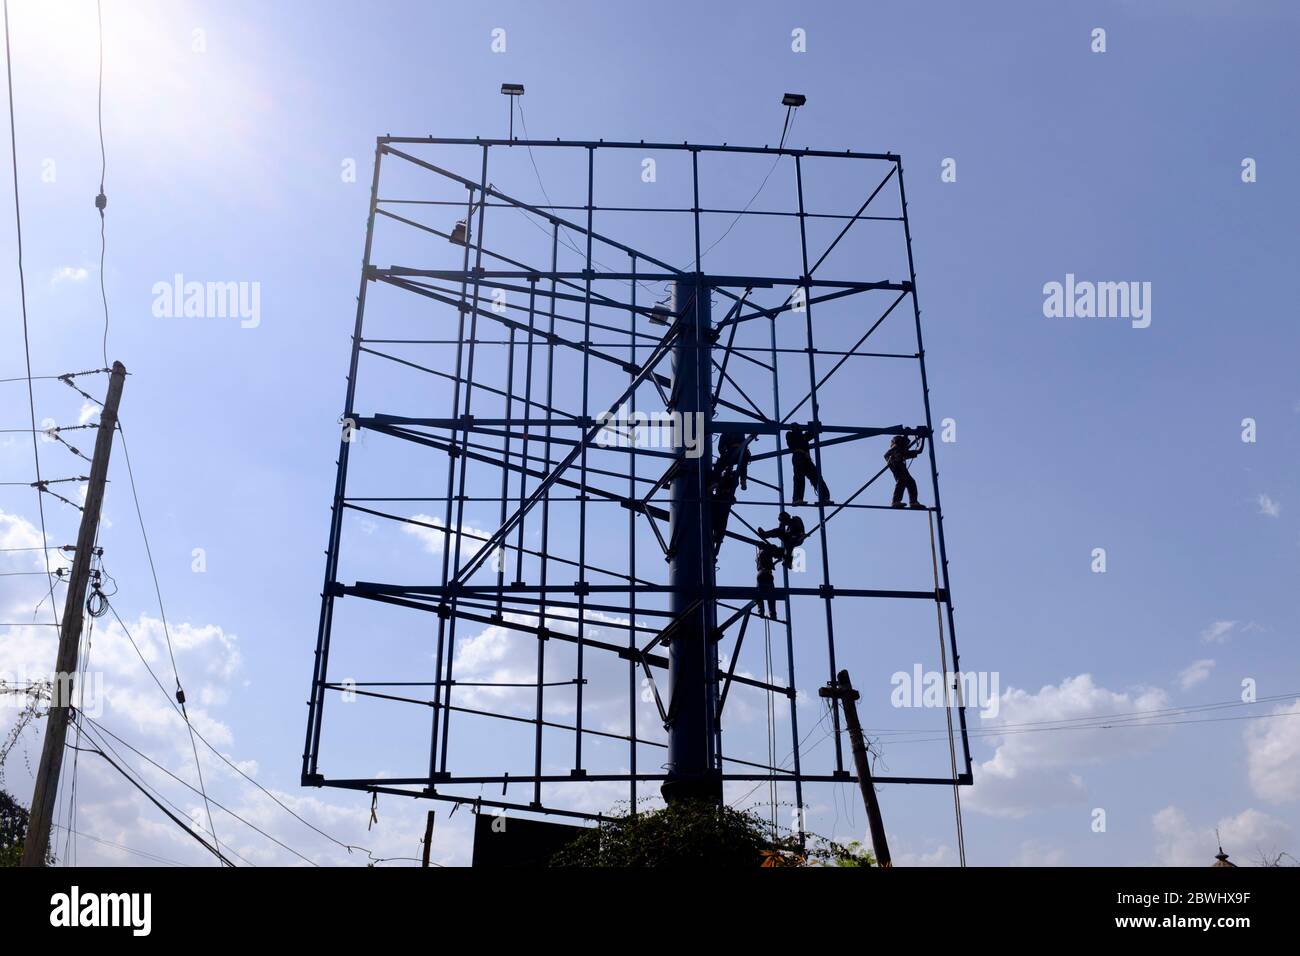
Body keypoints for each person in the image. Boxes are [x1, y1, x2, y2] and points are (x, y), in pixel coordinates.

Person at [786, 425, 830, 506]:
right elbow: (792, 443)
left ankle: (824, 497)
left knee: (816, 476)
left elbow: (811, 434)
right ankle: (797, 498)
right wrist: (801, 432)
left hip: (805, 457)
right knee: (799, 477)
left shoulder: (802, 437)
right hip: (798, 455)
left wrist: (813, 428)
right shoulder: (790, 435)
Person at [885, 434, 926, 509]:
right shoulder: (896, 448)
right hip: (895, 464)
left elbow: (919, 451)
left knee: (911, 482)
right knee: (901, 480)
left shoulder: (903, 451)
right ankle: (895, 501)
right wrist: (906, 435)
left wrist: (923, 439)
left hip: (901, 466)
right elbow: (889, 453)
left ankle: (913, 502)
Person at [710, 469, 740, 555]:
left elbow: (733, 483)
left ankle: (717, 541)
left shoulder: (731, 476)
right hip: (719, 499)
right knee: (717, 519)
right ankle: (716, 540)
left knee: (721, 520)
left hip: (724, 498)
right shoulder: (721, 475)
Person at [754, 543, 782, 619]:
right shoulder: (766, 551)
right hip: (767, 574)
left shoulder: (758, 555)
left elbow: (767, 563)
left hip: (760, 574)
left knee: (759, 593)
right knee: (771, 595)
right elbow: (774, 550)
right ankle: (773, 613)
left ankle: (761, 611)